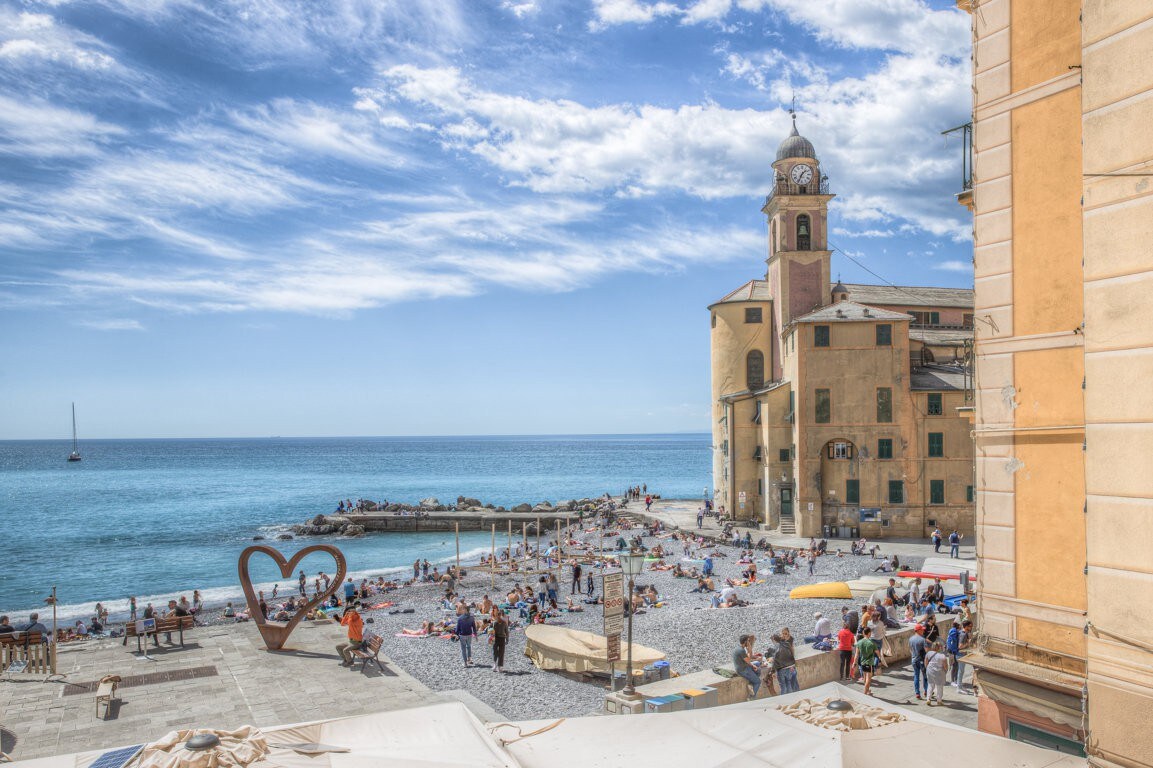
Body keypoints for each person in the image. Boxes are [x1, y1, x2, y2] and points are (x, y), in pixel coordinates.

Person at [768, 628, 799, 694]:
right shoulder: (787, 643)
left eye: (785, 633)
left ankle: (785, 699)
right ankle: (793, 696)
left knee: (783, 686)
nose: (784, 635)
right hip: (790, 666)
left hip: (783, 668)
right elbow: (791, 652)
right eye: (783, 634)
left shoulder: (778, 647)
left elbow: (776, 660)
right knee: (789, 683)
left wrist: (772, 671)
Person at [853, 626, 881, 695]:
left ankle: (867, 690)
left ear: (863, 633)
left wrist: (854, 663)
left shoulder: (859, 642)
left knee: (865, 677)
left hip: (862, 662)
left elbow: (856, 654)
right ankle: (865, 693)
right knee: (869, 678)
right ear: (869, 633)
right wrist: (880, 659)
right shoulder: (872, 643)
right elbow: (878, 653)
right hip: (869, 662)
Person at [925, 640, 948, 705]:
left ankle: (928, 699)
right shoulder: (942, 656)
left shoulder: (928, 653)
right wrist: (946, 671)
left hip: (930, 670)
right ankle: (939, 701)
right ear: (939, 647)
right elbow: (945, 666)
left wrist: (927, 669)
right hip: (939, 672)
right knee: (939, 686)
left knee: (930, 685)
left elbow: (926, 662)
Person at [909, 624, 928, 700]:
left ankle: (917, 693)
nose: (923, 631)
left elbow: (910, 649)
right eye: (922, 629)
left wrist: (914, 656)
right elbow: (926, 651)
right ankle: (926, 690)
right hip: (922, 660)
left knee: (916, 676)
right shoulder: (922, 639)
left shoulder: (911, 639)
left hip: (914, 659)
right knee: (925, 676)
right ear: (919, 630)